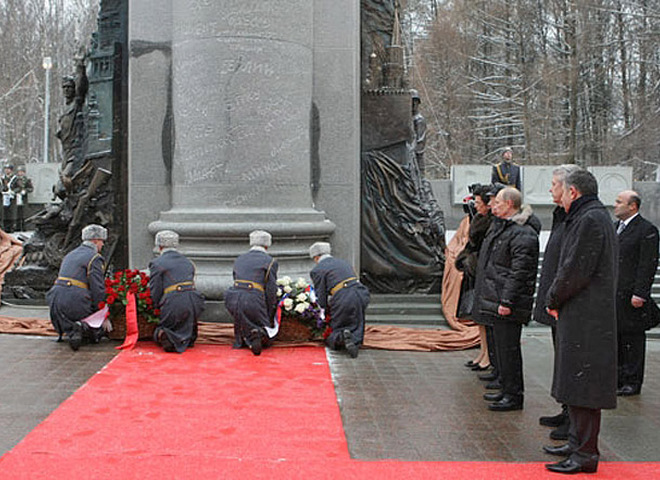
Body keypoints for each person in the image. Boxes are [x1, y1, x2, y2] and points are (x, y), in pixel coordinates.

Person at [543, 169, 617, 474]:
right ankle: (576, 444)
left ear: (574, 192)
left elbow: (575, 268)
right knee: (576, 383)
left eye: (561, 189)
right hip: (585, 313)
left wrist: (553, 298)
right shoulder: (593, 217)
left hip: (586, 316)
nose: (556, 193)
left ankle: (585, 453)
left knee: (584, 385)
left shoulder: (589, 219)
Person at [473, 187, 540, 411]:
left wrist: (507, 301)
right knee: (502, 350)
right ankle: (505, 388)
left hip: (508, 303)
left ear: (510, 204)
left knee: (509, 351)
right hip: (496, 298)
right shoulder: (503, 227)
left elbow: (519, 272)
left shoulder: (522, 232)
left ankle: (513, 395)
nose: (493, 206)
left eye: (498, 202)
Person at [533, 164, 581, 441]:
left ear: (568, 188)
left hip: (566, 306)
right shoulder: (562, 216)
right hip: (556, 302)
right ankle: (566, 411)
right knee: (562, 362)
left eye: (554, 184)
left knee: (570, 363)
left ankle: (573, 418)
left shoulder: (578, 219)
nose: (551, 189)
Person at [613, 190, 660, 396]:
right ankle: (619, 377)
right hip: (614, 294)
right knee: (617, 338)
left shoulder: (646, 230)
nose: (615, 205)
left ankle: (632, 380)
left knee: (632, 339)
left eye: (619, 202)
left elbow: (647, 264)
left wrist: (640, 293)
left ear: (633, 206)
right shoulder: (616, 228)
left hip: (632, 295)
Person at [46, 224, 107, 351]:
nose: (103, 245)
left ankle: (71, 329)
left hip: (55, 301)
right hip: (74, 301)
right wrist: (101, 309)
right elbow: (97, 288)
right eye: (102, 241)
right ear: (95, 241)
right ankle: (81, 328)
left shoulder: (70, 254)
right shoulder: (94, 258)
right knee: (98, 328)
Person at [455, 184, 495, 371]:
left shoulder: (491, 223)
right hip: (476, 271)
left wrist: (470, 260)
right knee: (479, 318)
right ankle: (483, 353)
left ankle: (488, 357)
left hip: (482, 271)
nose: (476, 205)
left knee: (485, 320)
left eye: (479, 202)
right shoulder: (480, 219)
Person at [309, 242, 370, 358]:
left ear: (316, 257)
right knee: (357, 320)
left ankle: (342, 337)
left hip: (343, 296)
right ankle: (355, 341)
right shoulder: (343, 262)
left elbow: (321, 294)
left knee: (338, 325)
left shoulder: (318, 270)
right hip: (361, 292)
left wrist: (323, 312)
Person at [149, 230, 205, 353]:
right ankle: (183, 339)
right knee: (189, 334)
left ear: (159, 246)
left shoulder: (157, 263)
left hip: (174, 302)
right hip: (194, 302)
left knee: (161, 329)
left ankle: (165, 335)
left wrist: (154, 307)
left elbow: (155, 290)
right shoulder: (188, 262)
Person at [224, 230, 278, 356]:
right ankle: (257, 334)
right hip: (253, 296)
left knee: (242, 316)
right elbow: (270, 289)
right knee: (265, 328)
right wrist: (270, 310)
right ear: (267, 245)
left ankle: (243, 339)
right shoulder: (270, 261)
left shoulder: (239, 259)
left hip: (232, 296)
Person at [55, 57, 88, 199]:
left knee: (63, 186)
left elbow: (81, 88)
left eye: (70, 87)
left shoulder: (76, 103)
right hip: (66, 151)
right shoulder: (66, 108)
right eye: (65, 87)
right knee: (65, 188)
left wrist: (80, 66)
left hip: (75, 151)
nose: (67, 90)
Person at [12, 165, 34, 231]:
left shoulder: (27, 180)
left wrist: (26, 191)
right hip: (17, 197)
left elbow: (31, 188)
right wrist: (17, 191)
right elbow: (12, 187)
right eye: (19, 172)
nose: (20, 173)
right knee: (17, 212)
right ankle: (17, 227)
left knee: (24, 213)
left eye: (22, 172)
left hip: (24, 198)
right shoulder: (15, 179)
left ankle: (24, 227)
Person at [410, 89, 427, 176]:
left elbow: (420, 143)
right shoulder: (407, 119)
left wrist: (411, 151)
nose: (413, 104)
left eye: (415, 101)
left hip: (416, 159)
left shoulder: (419, 120)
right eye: (411, 101)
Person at [1, 164, 17, 232]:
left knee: (11, 213)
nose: (7, 170)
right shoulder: (3, 178)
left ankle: (11, 227)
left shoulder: (15, 178)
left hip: (11, 197)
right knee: (4, 212)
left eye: (8, 169)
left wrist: (13, 191)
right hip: (3, 196)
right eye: (6, 169)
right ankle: (5, 227)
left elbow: (19, 187)